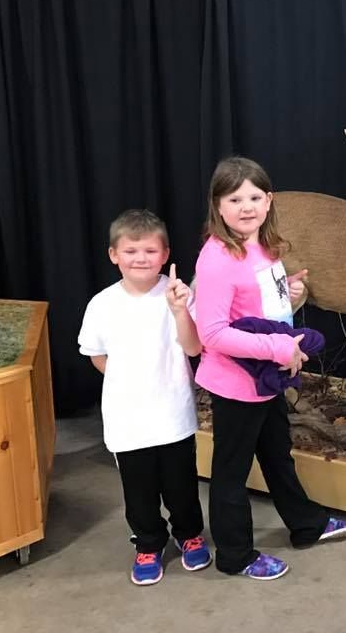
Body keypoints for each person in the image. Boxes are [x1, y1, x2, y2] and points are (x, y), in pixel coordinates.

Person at [193, 156, 346, 581]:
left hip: (268, 379)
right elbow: (211, 333)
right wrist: (278, 348)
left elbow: (266, 308)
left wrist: (294, 295)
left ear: (268, 200)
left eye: (254, 196)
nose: (246, 206)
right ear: (218, 205)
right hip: (236, 384)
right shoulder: (215, 259)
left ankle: (307, 525)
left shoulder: (264, 246)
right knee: (231, 472)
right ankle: (235, 555)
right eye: (235, 198)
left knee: (277, 456)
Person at [78, 209, 211, 586]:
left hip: (174, 415)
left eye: (150, 251)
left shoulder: (178, 297)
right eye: (131, 250)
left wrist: (180, 310)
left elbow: (194, 346)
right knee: (138, 491)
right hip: (127, 421)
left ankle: (189, 535)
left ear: (165, 254)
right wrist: (128, 381)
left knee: (181, 484)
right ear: (113, 255)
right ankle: (148, 542)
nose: (141, 258)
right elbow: (97, 355)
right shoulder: (102, 304)